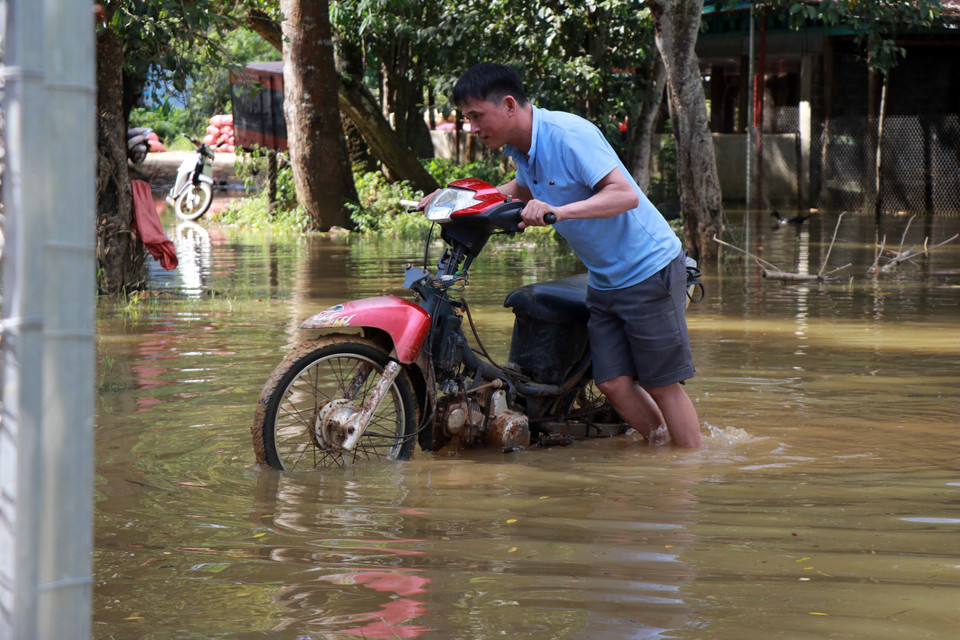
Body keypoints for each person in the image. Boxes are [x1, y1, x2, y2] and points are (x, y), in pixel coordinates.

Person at [420, 62, 702, 448]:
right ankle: (662, 447)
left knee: (662, 384)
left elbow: (625, 194)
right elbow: (519, 189)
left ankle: (689, 472)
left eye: (476, 116)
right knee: (613, 384)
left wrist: (559, 211)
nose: (472, 127)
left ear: (507, 105)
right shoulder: (523, 149)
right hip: (604, 279)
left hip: (648, 269)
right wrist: (454, 200)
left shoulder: (568, 135)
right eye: (467, 119)